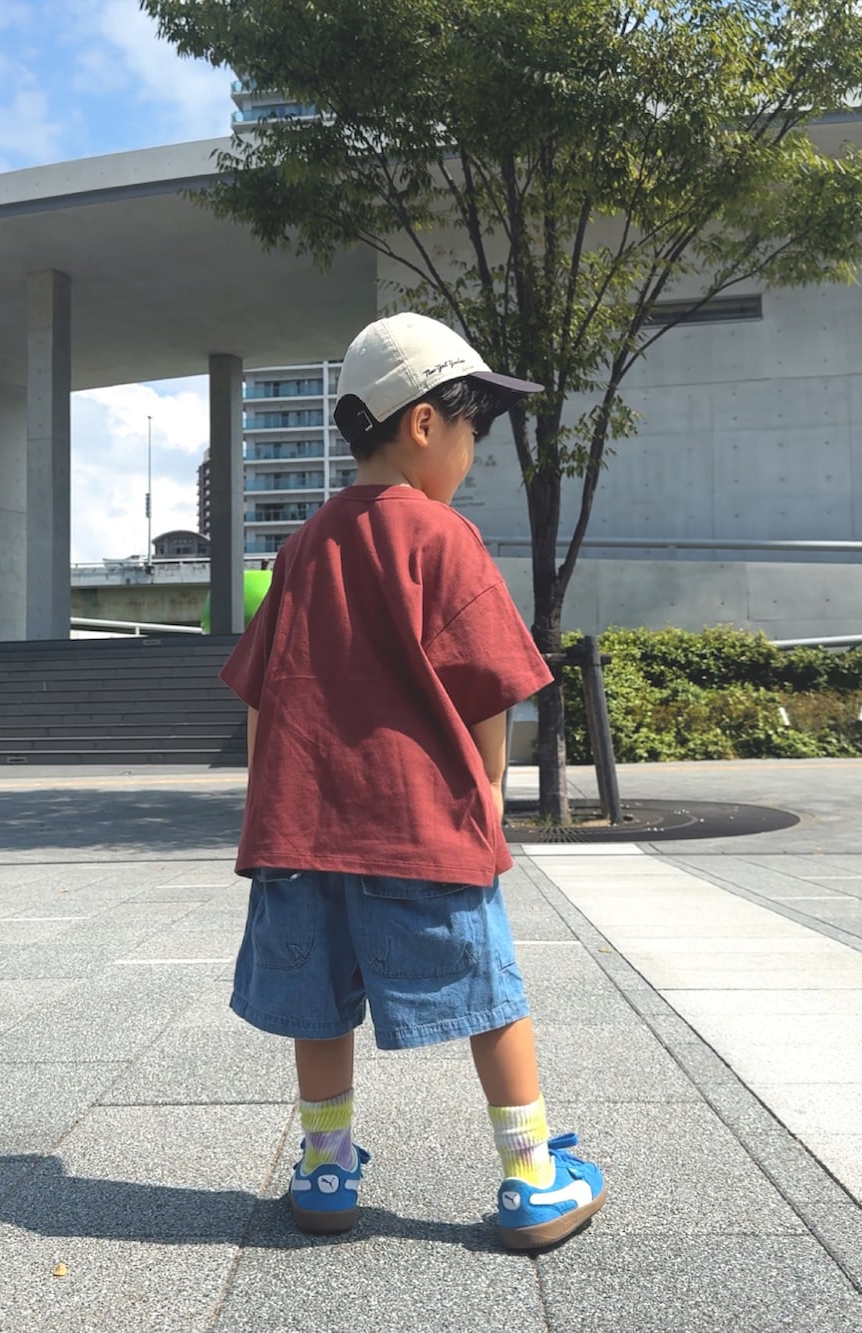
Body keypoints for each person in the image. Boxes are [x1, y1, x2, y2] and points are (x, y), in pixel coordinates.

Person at [220, 312, 606, 1250]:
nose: (473, 449)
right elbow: (489, 694)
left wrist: (267, 808)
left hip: (301, 830)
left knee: (319, 1003)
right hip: (417, 824)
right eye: (471, 428)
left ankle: (323, 1167)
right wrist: (484, 797)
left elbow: (263, 700)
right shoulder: (444, 539)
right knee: (490, 992)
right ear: (424, 424)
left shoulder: (302, 548)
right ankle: (530, 1175)